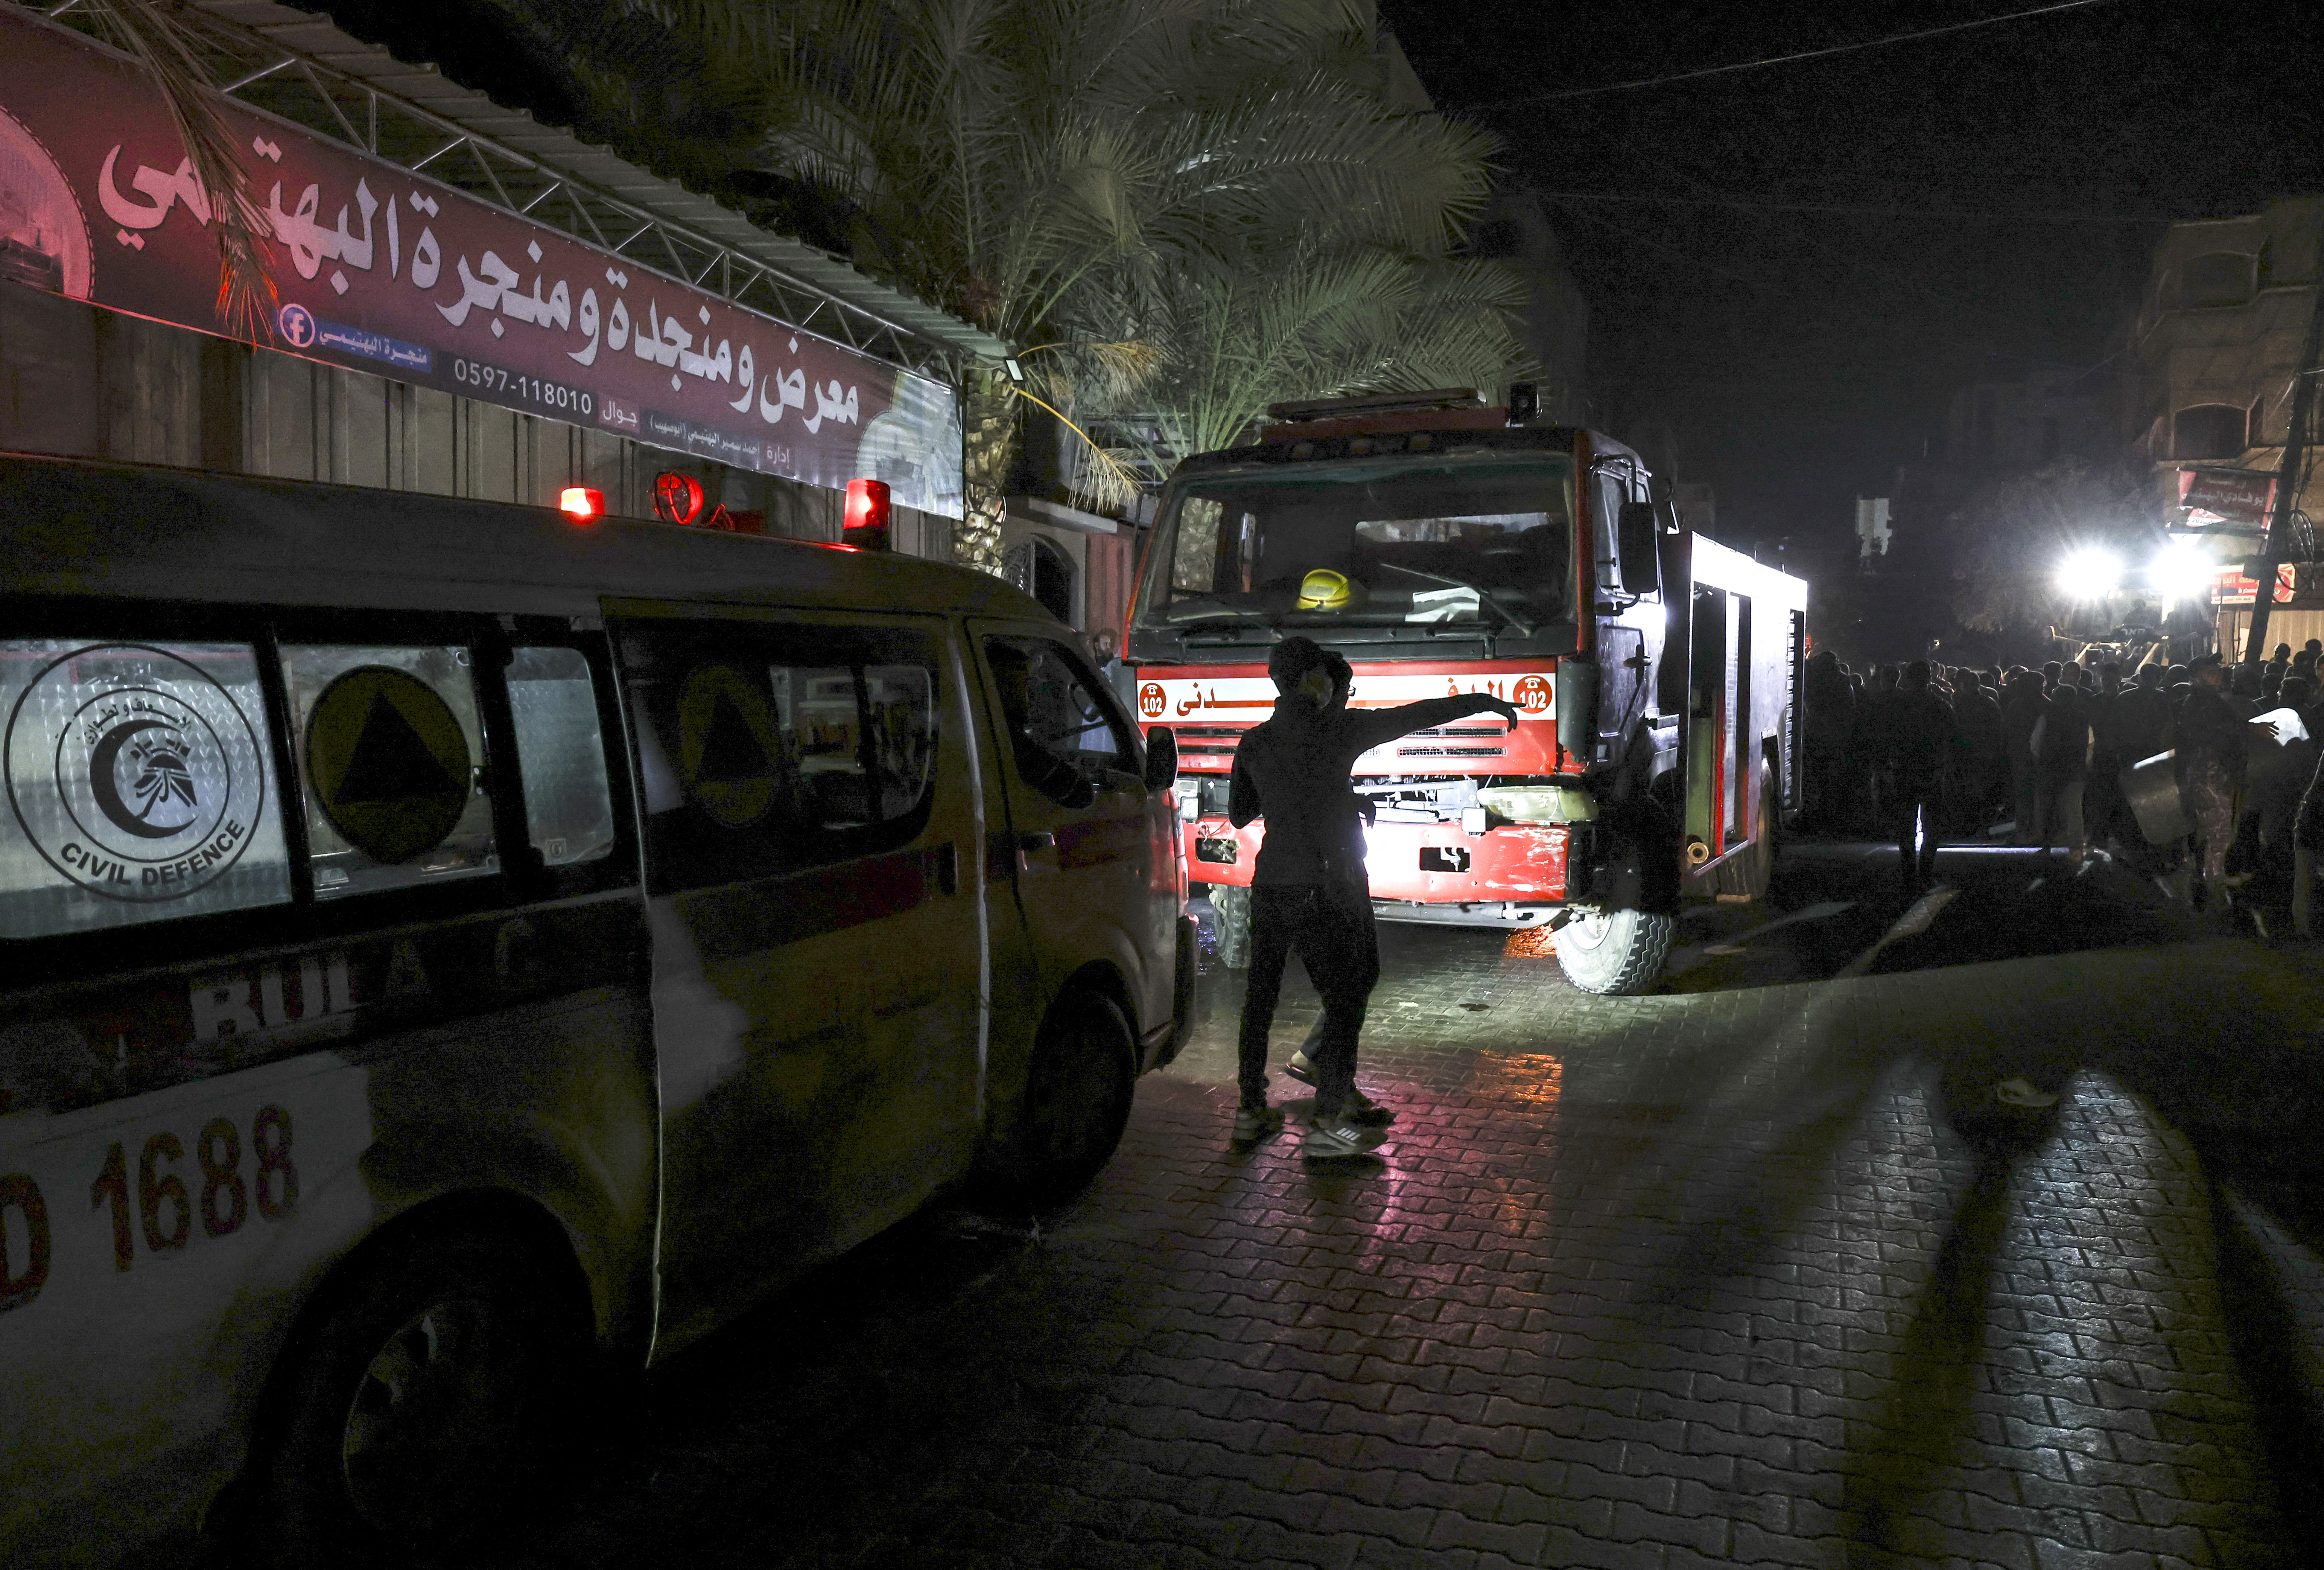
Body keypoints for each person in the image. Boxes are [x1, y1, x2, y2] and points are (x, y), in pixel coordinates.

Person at [1228, 636, 1519, 1157]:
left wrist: (1320, 796)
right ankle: (1328, 1121)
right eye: (1324, 677)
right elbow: (1417, 715)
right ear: (1312, 680)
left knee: (1260, 997)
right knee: (1346, 998)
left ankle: (1250, 1109)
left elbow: (1240, 814)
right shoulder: (1339, 729)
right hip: (1325, 885)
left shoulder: (1255, 742)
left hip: (1271, 884)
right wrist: (1482, 701)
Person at [1883, 661, 1960, 890]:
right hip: (1932, 770)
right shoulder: (1940, 705)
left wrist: (1886, 765)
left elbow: (1885, 737)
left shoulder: (1896, 705)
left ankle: (1909, 874)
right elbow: (1953, 739)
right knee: (1932, 826)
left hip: (1904, 770)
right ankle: (1926, 872)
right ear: (1929, 678)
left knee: (1906, 825)